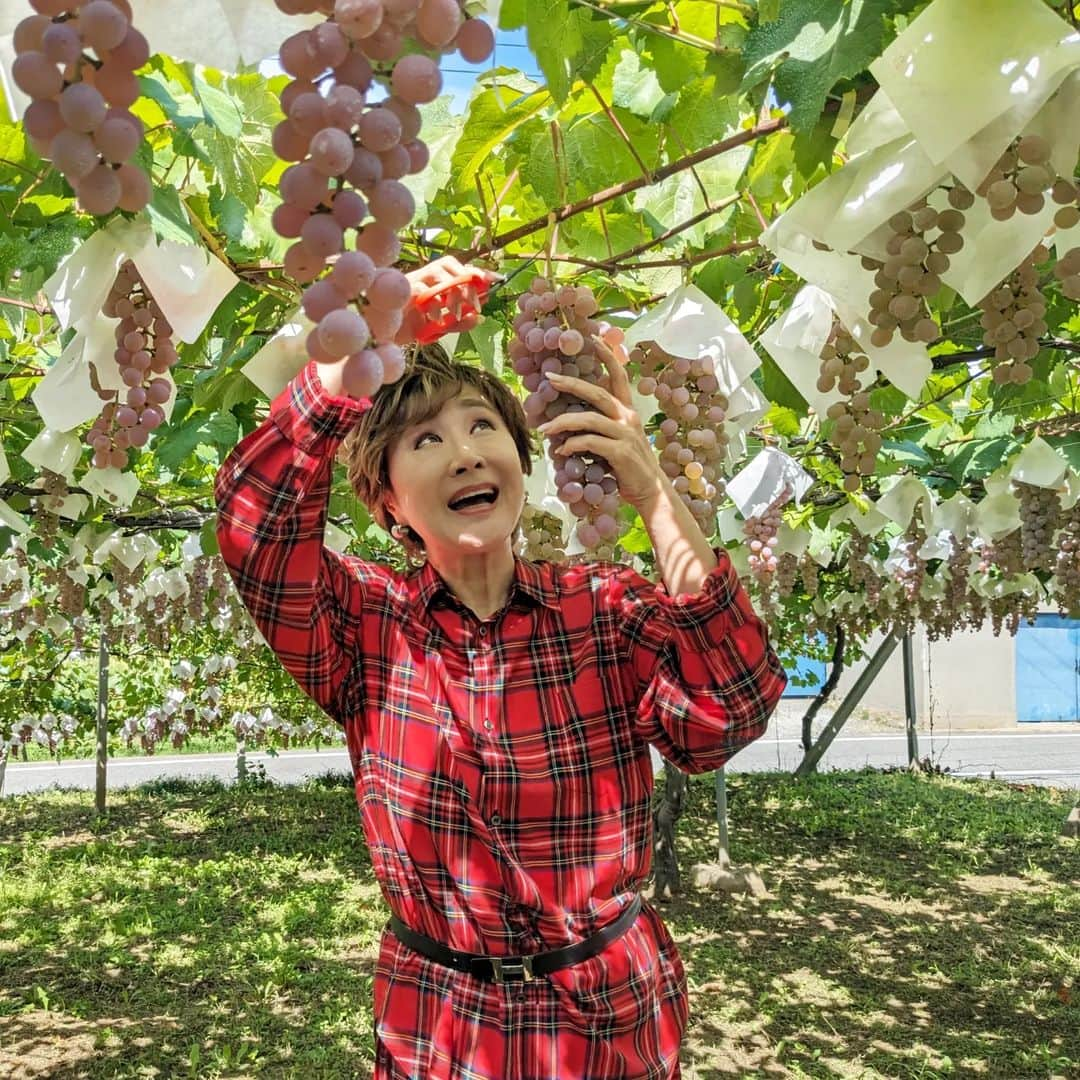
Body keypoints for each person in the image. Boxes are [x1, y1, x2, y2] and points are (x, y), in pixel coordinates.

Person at [214, 256, 787, 1079]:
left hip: (607, 1024)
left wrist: (653, 490)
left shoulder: (606, 608)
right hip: (441, 1029)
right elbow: (252, 529)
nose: (465, 455)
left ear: (524, 463)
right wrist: (358, 354)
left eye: (485, 428)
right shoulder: (366, 627)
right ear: (387, 504)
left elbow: (726, 715)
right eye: (427, 440)